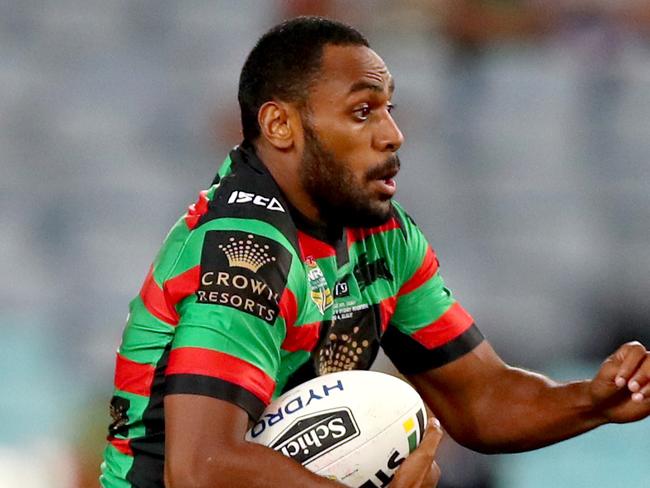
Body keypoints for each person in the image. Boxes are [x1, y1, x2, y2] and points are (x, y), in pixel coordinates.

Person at [100, 16, 650, 488]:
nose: (393, 134)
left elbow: (480, 399)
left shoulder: (384, 237)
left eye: (389, 109)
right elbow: (201, 469)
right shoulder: (244, 251)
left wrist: (591, 401)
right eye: (363, 111)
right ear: (280, 124)